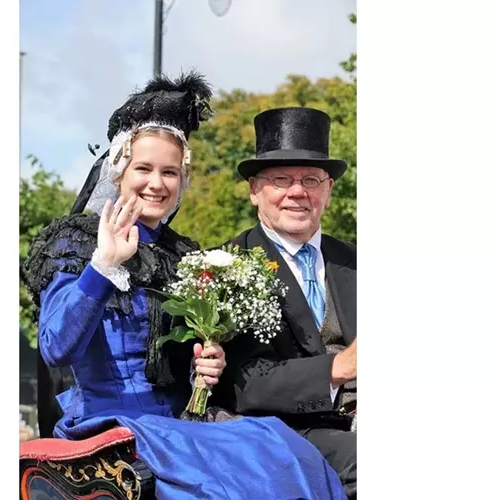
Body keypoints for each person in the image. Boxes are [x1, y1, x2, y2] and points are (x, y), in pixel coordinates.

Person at [23, 74, 346, 499]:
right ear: (119, 171)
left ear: (182, 180)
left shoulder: (183, 255)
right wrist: (103, 267)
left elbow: (176, 358)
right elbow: (55, 347)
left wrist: (202, 368)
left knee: (288, 454)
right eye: (144, 168)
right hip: (109, 424)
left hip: (181, 424)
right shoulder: (78, 240)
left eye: (169, 172)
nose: (156, 184)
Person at [214, 107, 357, 498]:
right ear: (254, 191)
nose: (298, 192)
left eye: (311, 179)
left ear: (328, 191)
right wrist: (338, 368)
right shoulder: (225, 266)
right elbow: (242, 383)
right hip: (284, 432)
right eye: (281, 180)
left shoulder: (358, 261)